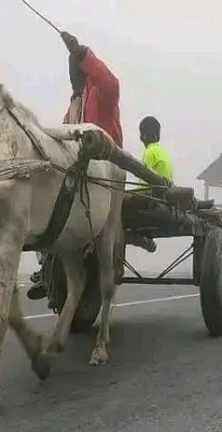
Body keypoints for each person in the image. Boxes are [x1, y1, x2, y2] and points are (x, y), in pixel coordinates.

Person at [26, 31, 123, 301]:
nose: (74, 78)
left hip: (104, 169)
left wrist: (81, 53)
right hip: (79, 172)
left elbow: (111, 83)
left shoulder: (101, 94)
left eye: (77, 71)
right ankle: (47, 267)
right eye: (73, 74)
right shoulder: (73, 107)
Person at [138, 115, 173, 183]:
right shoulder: (164, 152)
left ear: (142, 137)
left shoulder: (149, 152)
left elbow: (143, 184)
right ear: (158, 136)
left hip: (154, 192)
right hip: (166, 191)